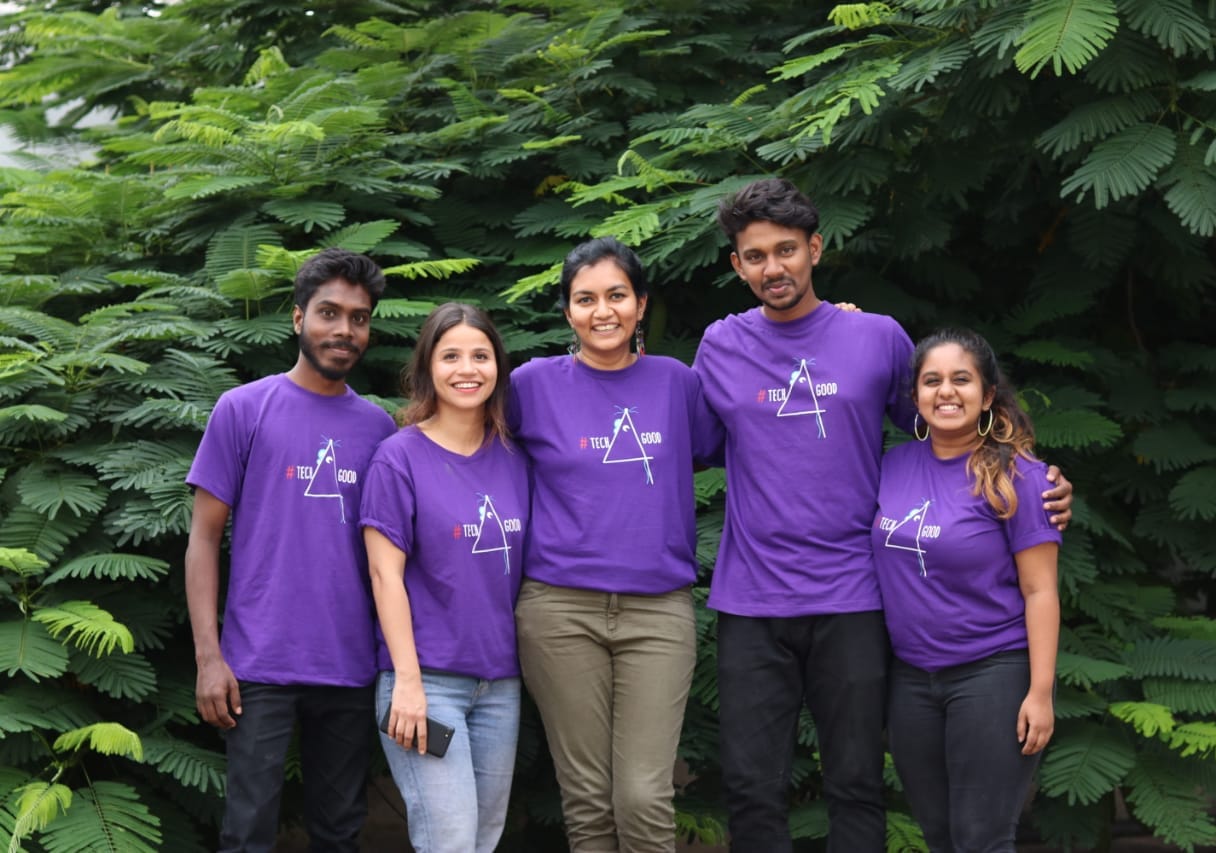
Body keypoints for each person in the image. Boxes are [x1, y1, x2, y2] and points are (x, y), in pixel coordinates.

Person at [692, 178, 1072, 851]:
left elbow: (948, 419)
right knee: (751, 787)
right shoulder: (719, 346)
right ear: (737, 265)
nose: (773, 267)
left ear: (815, 248)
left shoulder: (876, 337)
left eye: (786, 249)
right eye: (756, 256)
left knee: (857, 781)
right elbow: (679, 454)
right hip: (751, 599)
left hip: (854, 598)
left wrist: (1029, 480)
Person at [511, 236, 723, 852]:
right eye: (585, 298)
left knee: (642, 796)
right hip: (558, 610)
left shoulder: (677, 384)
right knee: (586, 799)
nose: (602, 311)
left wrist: (831, 334)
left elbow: (752, 440)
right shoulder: (529, 386)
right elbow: (464, 441)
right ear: (567, 311)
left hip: (658, 611)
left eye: (616, 295)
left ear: (639, 304)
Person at [185, 247, 395, 852]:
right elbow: (202, 539)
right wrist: (209, 657)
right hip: (257, 665)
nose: (344, 329)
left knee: (339, 834)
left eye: (358, 317)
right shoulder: (244, 409)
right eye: (329, 312)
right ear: (298, 318)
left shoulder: (380, 429)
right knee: (247, 834)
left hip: (352, 666)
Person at [874, 328, 1060, 851]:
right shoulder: (891, 465)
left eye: (961, 379)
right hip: (910, 680)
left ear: (987, 393)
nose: (946, 392)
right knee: (939, 835)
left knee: (981, 837)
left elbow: (1040, 590)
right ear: (915, 397)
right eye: (931, 381)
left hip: (992, 674)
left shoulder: (1021, 478)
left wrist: (1040, 694)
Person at [360, 302, 530, 852]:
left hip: (500, 685)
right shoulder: (397, 459)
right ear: (427, 367)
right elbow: (385, 578)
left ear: (498, 367)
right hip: (425, 683)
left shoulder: (515, 458)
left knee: (482, 839)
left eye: (481, 356)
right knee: (449, 840)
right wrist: (407, 683)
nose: (467, 369)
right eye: (451, 355)